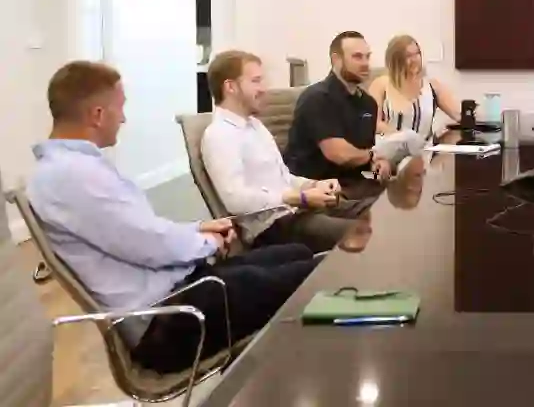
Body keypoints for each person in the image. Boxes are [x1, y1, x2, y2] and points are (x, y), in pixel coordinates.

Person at [27, 61, 317, 374]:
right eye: (119, 108)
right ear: (97, 115)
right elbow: (147, 243)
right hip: (167, 321)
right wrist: (207, 242)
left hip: (177, 292)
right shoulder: (73, 175)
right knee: (313, 275)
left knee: (296, 253)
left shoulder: (70, 168)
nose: (123, 118)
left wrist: (198, 229)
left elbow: (139, 230)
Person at [201, 50, 377, 253]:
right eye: (256, 81)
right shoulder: (219, 135)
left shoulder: (255, 126)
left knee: (378, 211)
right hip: (273, 227)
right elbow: (236, 199)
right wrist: (297, 198)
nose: (264, 88)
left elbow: (283, 178)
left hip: (300, 209)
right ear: (230, 87)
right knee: (362, 233)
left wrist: (313, 185)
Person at [285, 31, 393, 185]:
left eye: (367, 57)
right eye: (357, 57)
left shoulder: (368, 103)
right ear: (336, 59)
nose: (365, 63)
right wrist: (372, 156)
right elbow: (339, 154)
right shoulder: (317, 98)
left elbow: (363, 153)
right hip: (316, 188)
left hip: (355, 184)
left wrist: (378, 163)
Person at [368, 34, 461, 141]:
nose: (415, 59)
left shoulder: (432, 86)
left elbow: (460, 115)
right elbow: (373, 123)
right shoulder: (381, 84)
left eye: (417, 54)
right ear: (395, 59)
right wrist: (403, 137)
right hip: (389, 146)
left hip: (424, 148)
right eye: (408, 56)